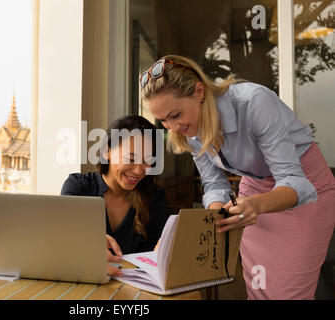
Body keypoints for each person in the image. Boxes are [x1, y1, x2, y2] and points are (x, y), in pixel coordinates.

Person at [140, 54, 335, 300]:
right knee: (259, 290)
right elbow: (214, 184)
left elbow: (293, 179)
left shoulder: (254, 101)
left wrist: (255, 205)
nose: (172, 128)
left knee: (287, 294)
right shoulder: (189, 130)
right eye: (164, 120)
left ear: (199, 91)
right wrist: (216, 217)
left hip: (304, 185)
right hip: (254, 192)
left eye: (175, 115)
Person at [61, 115, 168, 277]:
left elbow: (153, 257)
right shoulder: (77, 187)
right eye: (130, 159)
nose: (139, 170)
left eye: (148, 160)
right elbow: (63, 240)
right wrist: (88, 242)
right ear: (107, 151)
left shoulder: (155, 197)